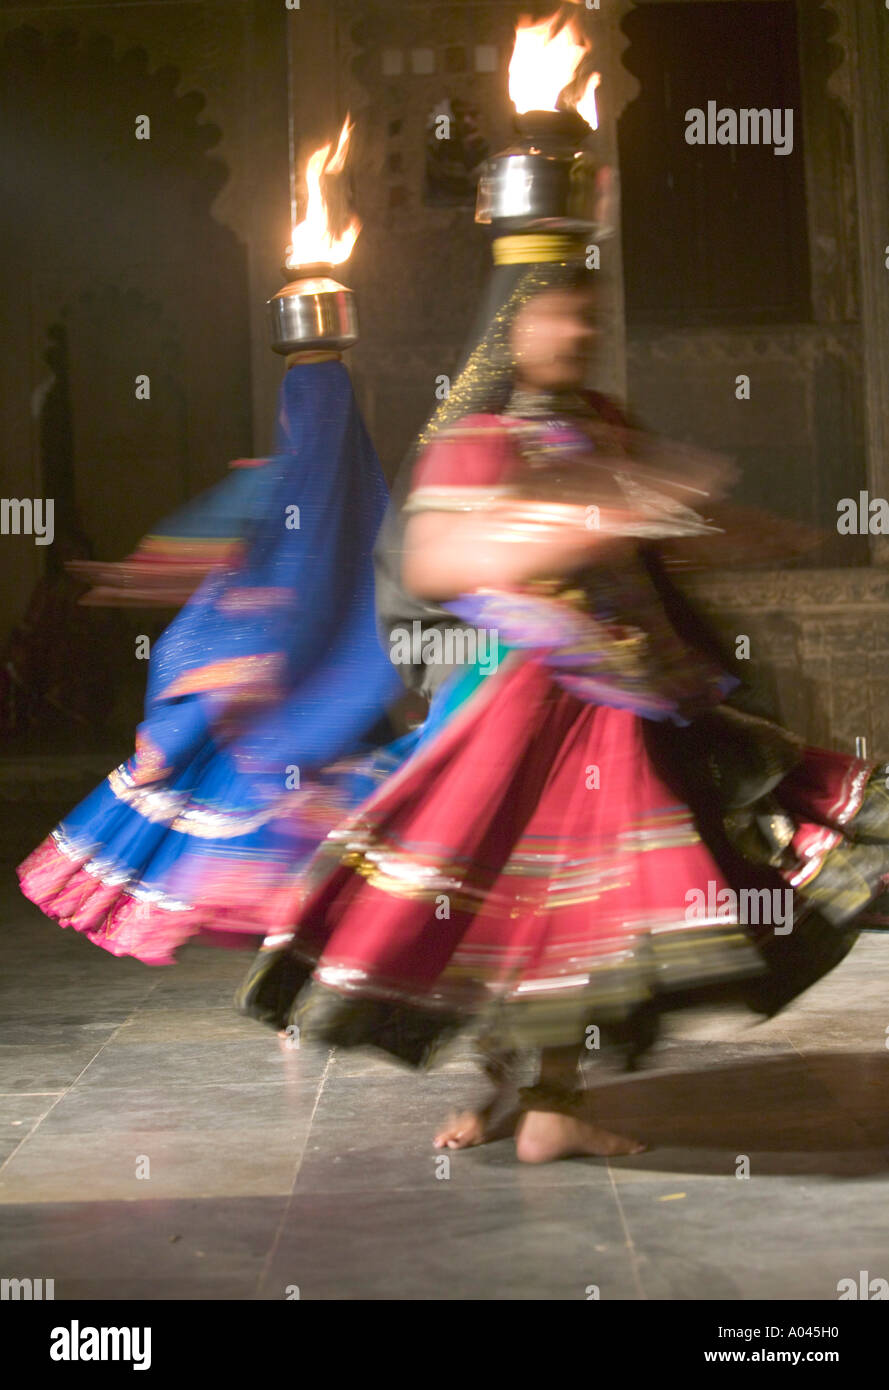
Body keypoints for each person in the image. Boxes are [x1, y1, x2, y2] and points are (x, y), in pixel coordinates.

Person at [239, 256, 889, 1162]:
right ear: (510, 332)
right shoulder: (477, 437)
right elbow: (434, 562)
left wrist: (753, 532)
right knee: (526, 905)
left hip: (633, 691)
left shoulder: (602, 425)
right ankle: (531, 1098)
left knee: (568, 909)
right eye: (555, 318)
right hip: (533, 702)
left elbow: (662, 534)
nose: (576, 335)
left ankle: (540, 1101)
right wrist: (586, 520)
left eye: (586, 317)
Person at [18, 355, 402, 963]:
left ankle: (298, 954)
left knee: (284, 838)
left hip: (270, 701)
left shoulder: (281, 484)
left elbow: (189, 554)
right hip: (335, 702)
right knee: (340, 847)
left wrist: (139, 583)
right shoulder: (373, 505)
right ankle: (314, 954)